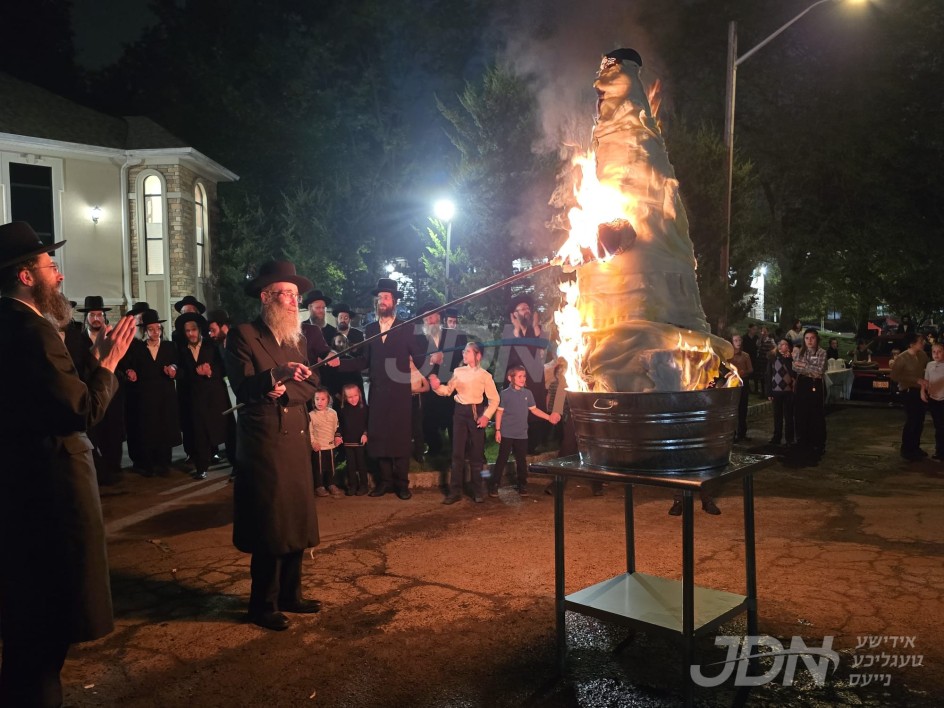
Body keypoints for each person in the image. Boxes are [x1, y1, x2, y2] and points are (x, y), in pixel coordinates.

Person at [0, 221, 136, 706]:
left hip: (19, 488)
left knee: (25, 625)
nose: (58, 276)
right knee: (44, 627)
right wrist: (108, 364)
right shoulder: (31, 329)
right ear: (24, 275)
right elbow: (79, 411)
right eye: (49, 266)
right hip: (48, 495)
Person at [223, 260, 327, 631]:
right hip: (265, 441)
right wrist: (275, 377)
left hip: (296, 434)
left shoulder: (297, 338)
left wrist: (283, 389)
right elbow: (244, 387)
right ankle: (262, 604)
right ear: (266, 296)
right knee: (271, 520)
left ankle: (290, 595)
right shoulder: (243, 335)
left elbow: (311, 383)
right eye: (286, 294)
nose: (292, 301)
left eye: (295, 296)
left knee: (296, 515)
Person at [349, 278, 427, 500]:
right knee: (380, 436)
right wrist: (339, 363)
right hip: (378, 392)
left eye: (385, 297)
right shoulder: (371, 329)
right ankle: (385, 482)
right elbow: (364, 360)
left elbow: (420, 358)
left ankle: (402, 484)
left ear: (394, 301)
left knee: (400, 437)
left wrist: (433, 360)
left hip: (400, 393)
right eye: (379, 297)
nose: (381, 301)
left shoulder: (406, 327)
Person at [66, 295, 127, 486]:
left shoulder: (112, 338)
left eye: (99, 315)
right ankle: (98, 474)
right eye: (92, 315)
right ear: (86, 318)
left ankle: (114, 469)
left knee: (113, 434)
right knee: (94, 434)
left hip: (112, 394)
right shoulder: (78, 340)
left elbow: (123, 363)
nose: (96, 319)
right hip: (90, 393)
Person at [429, 341, 500, 504]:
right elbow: (447, 391)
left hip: (476, 413)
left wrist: (486, 416)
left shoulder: (485, 376)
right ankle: (455, 491)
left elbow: (494, 399)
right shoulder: (458, 371)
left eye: (468, 351)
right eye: (464, 351)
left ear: (478, 355)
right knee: (457, 453)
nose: (464, 354)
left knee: (476, 454)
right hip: (460, 413)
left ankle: (478, 489)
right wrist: (437, 386)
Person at [121, 309, 182, 476]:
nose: (156, 332)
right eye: (151, 329)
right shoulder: (137, 348)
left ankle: (164, 463)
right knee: (147, 430)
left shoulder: (169, 346)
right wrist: (129, 372)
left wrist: (173, 368)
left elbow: (177, 363)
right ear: (145, 331)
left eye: (158, 329)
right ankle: (147, 465)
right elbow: (128, 365)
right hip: (145, 396)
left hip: (165, 396)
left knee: (164, 429)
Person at [175, 312, 235, 480]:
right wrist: (194, 372)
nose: (191, 334)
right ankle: (202, 467)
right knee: (199, 432)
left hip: (217, 395)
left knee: (227, 430)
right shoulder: (181, 350)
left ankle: (236, 465)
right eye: (187, 331)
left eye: (193, 329)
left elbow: (225, 367)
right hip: (195, 397)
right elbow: (180, 373)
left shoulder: (212, 345)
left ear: (199, 329)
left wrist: (211, 372)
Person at [491, 364, 561, 496]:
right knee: (502, 458)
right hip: (507, 433)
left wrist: (548, 417)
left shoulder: (528, 393)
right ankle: (495, 484)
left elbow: (534, 410)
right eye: (519, 376)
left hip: (522, 433)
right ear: (510, 378)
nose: (522, 379)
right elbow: (499, 413)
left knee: (521, 460)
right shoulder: (504, 394)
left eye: (524, 376)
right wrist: (498, 430)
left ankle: (522, 484)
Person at [498, 294, 550, 453]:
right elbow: (506, 356)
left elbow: (543, 348)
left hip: (535, 379)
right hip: (517, 378)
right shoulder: (509, 332)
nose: (526, 311)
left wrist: (535, 326)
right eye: (522, 309)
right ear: (514, 314)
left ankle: (532, 445)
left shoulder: (536, 329)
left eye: (528, 308)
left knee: (535, 408)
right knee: (517, 411)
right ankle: (515, 444)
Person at [890, 331, 929, 461]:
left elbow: (927, 368)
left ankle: (915, 446)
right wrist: (914, 379)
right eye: (920, 342)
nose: (923, 344)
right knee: (912, 419)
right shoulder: (902, 358)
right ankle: (906, 448)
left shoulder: (922, 355)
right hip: (908, 390)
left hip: (921, 390)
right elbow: (895, 376)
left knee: (920, 419)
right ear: (912, 344)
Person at [792, 329, 828, 464]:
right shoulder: (802, 351)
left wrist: (804, 365)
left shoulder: (822, 352)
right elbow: (795, 366)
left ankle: (818, 443)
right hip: (802, 384)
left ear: (816, 339)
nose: (809, 341)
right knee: (802, 413)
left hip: (815, 385)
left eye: (812, 338)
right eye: (807, 338)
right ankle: (803, 441)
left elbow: (820, 371)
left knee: (816, 414)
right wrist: (809, 368)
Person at [309, 387, 343, 497]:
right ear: (313, 400)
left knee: (332, 467)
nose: (320, 402)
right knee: (319, 467)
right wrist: (313, 443)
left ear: (328, 400)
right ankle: (319, 486)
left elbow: (337, 427)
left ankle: (331, 484)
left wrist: (337, 436)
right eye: (317, 399)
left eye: (323, 399)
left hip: (331, 445)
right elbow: (309, 431)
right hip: (318, 447)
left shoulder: (333, 413)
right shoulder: (311, 415)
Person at [338, 382, 370, 495]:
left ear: (359, 394)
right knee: (350, 465)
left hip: (360, 442)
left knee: (361, 464)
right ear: (345, 397)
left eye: (355, 396)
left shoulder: (365, 408)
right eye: (350, 397)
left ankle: (364, 485)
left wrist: (366, 434)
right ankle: (352, 485)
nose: (353, 399)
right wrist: (338, 436)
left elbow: (368, 424)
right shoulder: (342, 410)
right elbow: (340, 425)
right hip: (348, 442)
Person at [767, 338, 796, 446]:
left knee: (789, 416)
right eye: (780, 343)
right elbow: (769, 375)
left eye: (784, 344)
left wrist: (788, 358)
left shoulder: (791, 359)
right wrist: (769, 392)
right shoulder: (773, 358)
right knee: (777, 415)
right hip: (776, 390)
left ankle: (790, 438)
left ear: (788, 347)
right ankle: (776, 437)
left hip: (788, 391)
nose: (781, 346)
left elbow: (793, 373)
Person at [921, 342, 944, 462]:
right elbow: (926, 380)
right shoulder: (930, 365)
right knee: (938, 426)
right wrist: (922, 391)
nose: (936, 354)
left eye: (939, 351)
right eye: (934, 352)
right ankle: (940, 451)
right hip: (933, 399)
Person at [728, 334, 753, 441]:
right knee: (733, 409)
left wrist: (744, 372)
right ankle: (732, 433)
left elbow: (750, 369)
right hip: (732, 384)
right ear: (732, 342)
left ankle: (742, 432)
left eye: (739, 340)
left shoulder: (745, 355)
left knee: (743, 408)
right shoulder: (728, 355)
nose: (738, 342)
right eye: (735, 340)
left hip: (743, 383)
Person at [756, 325, 776, 396]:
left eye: (765, 331)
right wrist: (761, 338)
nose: (763, 333)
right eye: (762, 331)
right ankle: (763, 392)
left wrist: (770, 353)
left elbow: (775, 348)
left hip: (767, 360)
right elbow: (757, 345)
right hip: (761, 360)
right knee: (761, 377)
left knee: (768, 376)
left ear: (768, 332)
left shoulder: (771, 340)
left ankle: (768, 392)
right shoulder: (760, 340)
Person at [742, 323, 760, 394]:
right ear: (749, 329)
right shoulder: (745, 338)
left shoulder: (756, 338)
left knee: (755, 373)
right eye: (753, 329)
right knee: (747, 373)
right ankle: (748, 388)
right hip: (747, 357)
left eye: (756, 329)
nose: (754, 331)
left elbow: (758, 346)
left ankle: (756, 388)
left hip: (754, 357)